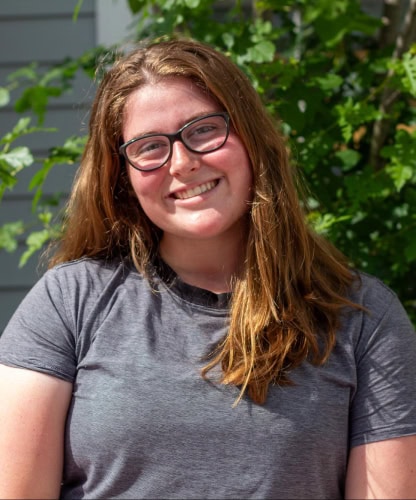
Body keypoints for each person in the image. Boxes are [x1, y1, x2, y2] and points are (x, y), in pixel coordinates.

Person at [0, 38, 415, 500]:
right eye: (149, 146)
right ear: (123, 176)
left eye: (202, 130)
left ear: (251, 135)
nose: (182, 163)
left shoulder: (361, 317)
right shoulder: (69, 302)